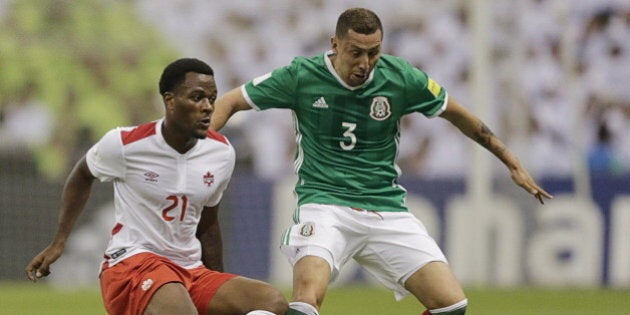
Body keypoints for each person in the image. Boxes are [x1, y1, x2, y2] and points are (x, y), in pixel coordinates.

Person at [210, 8, 553, 315]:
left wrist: (509, 160)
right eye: (356, 52)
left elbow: (458, 115)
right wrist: (200, 148)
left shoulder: (401, 78)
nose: (365, 62)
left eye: (373, 53)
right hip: (324, 205)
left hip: (384, 207)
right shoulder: (301, 75)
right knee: (307, 301)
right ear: (335, 44)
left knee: (452, 305)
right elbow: (229, 102)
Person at [25, 58, 288, 315]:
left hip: (188, 269)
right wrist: (59, 242)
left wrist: (216, 282)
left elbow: (208, 223)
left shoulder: (221, 152)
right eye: (197, 97)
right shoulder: (126, 144)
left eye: (212, 98)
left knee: (271, 302)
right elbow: (82, 175)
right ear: (170, 101)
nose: (208, 107)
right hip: (132, 263)